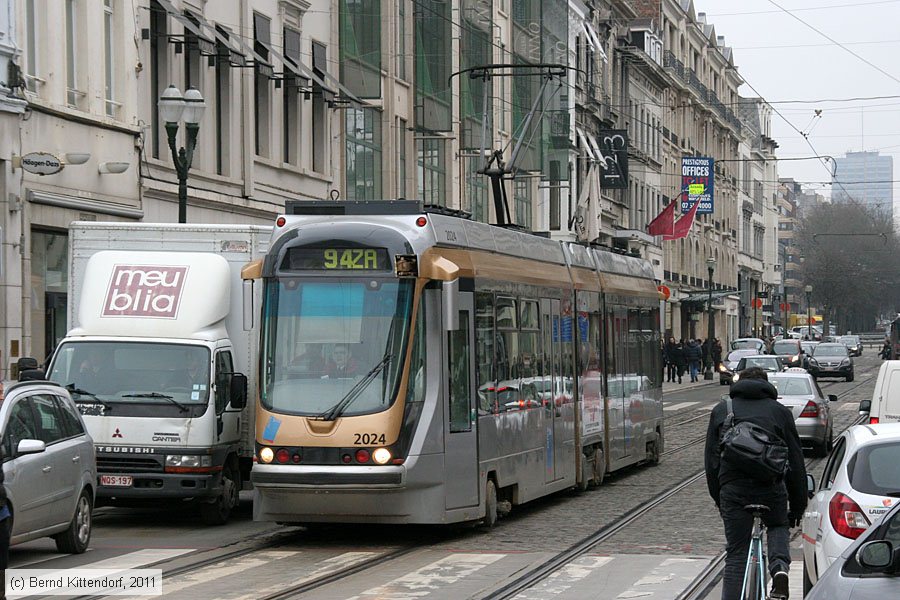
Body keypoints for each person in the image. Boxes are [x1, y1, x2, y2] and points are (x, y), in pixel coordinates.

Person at [704, 367, 807, 600]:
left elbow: (711, 462)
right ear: (767, 385)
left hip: (733, 489)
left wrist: (718, 497)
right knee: (778, 525)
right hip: (770, 487)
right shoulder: (780, 412)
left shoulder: (722, 410)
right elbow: (795, 462)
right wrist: (798, 506)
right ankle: (779, 569)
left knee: (736, 553)